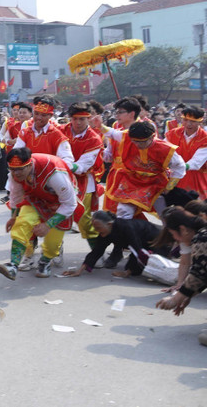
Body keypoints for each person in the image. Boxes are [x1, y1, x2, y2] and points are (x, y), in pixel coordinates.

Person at [0, 148, 77, 280]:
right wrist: (13, 217)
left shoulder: (54, 174)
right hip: (35, 199)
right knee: (21, 223)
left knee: (52, 244)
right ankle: (13, 265)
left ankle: (45, 261)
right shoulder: (14, 175)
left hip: (58, 204)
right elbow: (16, 196)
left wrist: (47, 225)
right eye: (12, 169)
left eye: (20, 169)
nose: (16, 173)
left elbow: (70, 203)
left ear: (29, 165)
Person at [154, 206, 207, 346]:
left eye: (173, 234)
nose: (176, 239)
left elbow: (198, 274)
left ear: (183, 229)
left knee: (204, 338)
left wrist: (176, 298)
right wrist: (186, 295)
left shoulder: (202, 238)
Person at [62, 210, 170, 278]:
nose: (98, 231)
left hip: (155, 240)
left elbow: (137, 249)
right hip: (140, 243)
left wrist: (127, 272)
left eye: (99, 228)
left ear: (109, 224)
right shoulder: (106, 231)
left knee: (151, 266)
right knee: (134, 265)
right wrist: (80, 270)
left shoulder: (126, 228)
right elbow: (97, 250)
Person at [60, 102, 104, 240]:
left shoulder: (94, 139)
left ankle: (97, 250)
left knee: (84, 219)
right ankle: (54, 251)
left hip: (84, 180)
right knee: (56, 217)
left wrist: (61, 165)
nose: (78, 122)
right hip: (59, 178)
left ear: (89, 118)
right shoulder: (60, 131)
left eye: (82, 119)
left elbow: (82, 166)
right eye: (74, 119)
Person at [165, 105, 207, 198]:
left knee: (196, 207)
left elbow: (196, 162)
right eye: (185, 120)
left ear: (200, 121)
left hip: (197, 178)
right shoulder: (172, 134)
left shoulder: (205, 138)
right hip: (175, 176)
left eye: (193, 121)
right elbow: (163, 150)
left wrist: (180, 167)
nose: (188, 124)